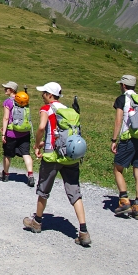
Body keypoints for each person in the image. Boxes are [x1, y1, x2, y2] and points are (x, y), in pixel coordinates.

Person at [23, 82, 91, 246]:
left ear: (49, 95)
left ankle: (37, 222)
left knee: (43, 190)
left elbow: (41, 128)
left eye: (44, 93)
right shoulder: (68, 111)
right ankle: (83, 231)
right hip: (70, 156)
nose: (42, 95)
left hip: (52, 156)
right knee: (75, 192)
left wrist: (36, 143)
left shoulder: (47, 109)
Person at [111, 74, 138, 220]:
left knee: (118, 168)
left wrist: (114, 139)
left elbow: (118, 121)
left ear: (124, 86)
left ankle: (124, 200)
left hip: (128, 139)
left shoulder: (122, 99)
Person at [0, 81, 35, 187]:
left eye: (7, 88)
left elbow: (6, 118)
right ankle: (31, 175)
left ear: (12, 90)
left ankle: (5, 174)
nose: (5, 89)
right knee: (26, 154)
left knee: (7, 155)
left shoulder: (7, 102)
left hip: (11, 133)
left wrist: (3, 133)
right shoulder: (24, 100)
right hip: (24, 133)